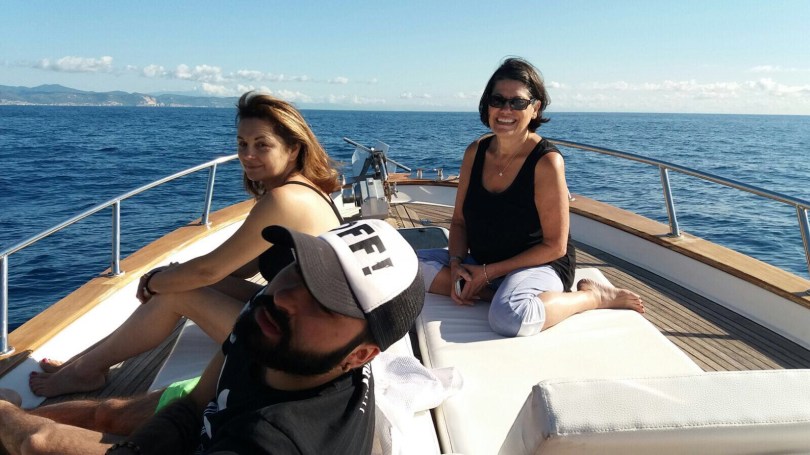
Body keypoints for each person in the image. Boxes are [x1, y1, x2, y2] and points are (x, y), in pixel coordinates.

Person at [0, 219, 425, 454]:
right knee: (106, 413)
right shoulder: (268, 324)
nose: (285, 297)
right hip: (213, 431)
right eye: (299, 269)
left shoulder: (277, 441)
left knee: (37, 442)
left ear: (360, 356)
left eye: (325, 303)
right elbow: (197, 404)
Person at [30, 91, 344, 398]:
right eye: (242, 143)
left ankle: (86, 371)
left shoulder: (285, 199)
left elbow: (209, 271)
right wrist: (175, 273)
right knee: (180, 279)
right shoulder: (305, 190)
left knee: (176, 291)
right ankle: (84, 362)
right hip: (303, 321)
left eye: (262, 145)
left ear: (293, 148)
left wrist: (155, 281)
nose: (248, 155)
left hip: (302, 345)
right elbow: (242, 267)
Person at [417, 57, 644, 337]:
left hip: (539, 265)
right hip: (483, 262)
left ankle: (592, 297)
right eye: (498, 100)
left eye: (518, 102)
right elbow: (460, 222)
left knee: (508, 317)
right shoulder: (475, 152)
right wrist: (455, 266)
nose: (505, 110)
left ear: (535, 108)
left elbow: (555, 246)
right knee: (401, 267)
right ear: (487, 105)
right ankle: (491, 292)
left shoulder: (546, 162)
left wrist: (487, 273)